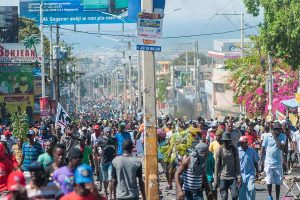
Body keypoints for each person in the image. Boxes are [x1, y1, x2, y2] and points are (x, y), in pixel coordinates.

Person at [213, 131, 241, 200]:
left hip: (232, 177)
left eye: (228, 141)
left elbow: (237, 163)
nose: (227, 142)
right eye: (225, 141)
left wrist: (239, 176)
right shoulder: (220, 150)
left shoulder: (234, 149)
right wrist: (215, 180)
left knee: (235, 195)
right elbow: (217, 165)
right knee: (224, 197)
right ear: (223, 141)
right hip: (223, 177)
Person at [262, 121, 286, 200]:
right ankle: (269, 196)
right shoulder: (267, 136)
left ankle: (277, 198)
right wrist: (261, 160)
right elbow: (263, 147)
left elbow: (280, 147)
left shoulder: (283, 136)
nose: (278, 131)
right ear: (273, 129)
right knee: (268, 181)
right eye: (276, 129)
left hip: (278, 163)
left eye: (279, 129)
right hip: (268, 162)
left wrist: (275, 137)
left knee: (278, 183)